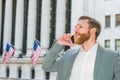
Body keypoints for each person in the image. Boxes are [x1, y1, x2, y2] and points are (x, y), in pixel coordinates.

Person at [42, 16, 120, 80]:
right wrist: (59, 44)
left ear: (93, 31)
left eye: (80, 27)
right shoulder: (68, 55)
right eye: (75, 27)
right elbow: (47, 66)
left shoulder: (112, 56)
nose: (75, 30)